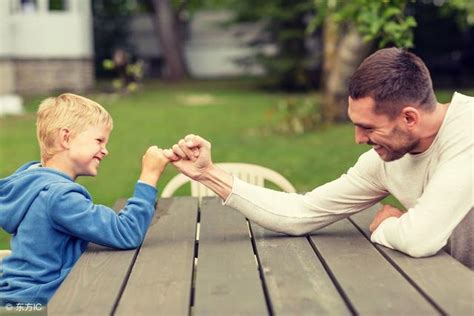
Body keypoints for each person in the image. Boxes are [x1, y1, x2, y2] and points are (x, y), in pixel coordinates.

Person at [164, 47, 473, 269]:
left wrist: (388, 225)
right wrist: (209, 174)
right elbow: (301, 212)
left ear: (409, 118)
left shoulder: (468, 131)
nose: (359, 140)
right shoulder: (384, 161)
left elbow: (419, 240)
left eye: (368, 128)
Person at [0, 93, 169, 305]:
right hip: (43, 302)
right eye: (99, 140)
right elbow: (126, 233)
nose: (105, 151)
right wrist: (149, 177)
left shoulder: (31, 180)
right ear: (66, 138)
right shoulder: (60, 196)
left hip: (18, 293)